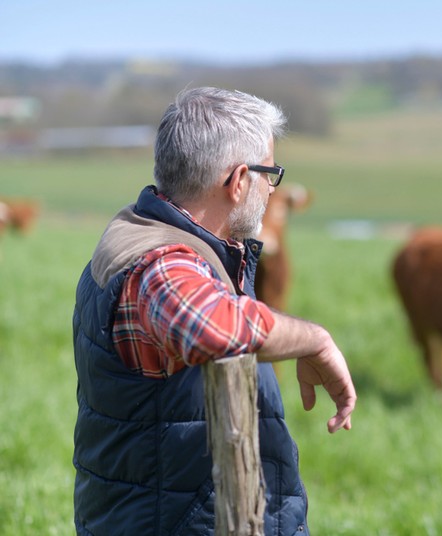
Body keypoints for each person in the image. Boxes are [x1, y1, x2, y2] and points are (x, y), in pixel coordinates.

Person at [72, 86, 356, 535]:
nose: (270, 187)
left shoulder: (163, 236)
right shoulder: (161, 261)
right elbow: (209, 326)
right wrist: (315, 339)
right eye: (270, 173)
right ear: (239, 180)